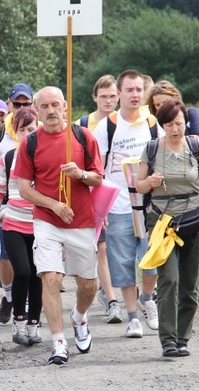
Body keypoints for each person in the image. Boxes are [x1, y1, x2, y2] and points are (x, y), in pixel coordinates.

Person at [15, 86, 104, 364]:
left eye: (56, 105)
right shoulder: (29, 143)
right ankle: (59, 342)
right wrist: (53, 205)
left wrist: (80, 174)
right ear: (37, 110)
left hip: (81, 219)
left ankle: (79, 317)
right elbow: (24, 189)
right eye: (45, 107)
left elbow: (98, 178)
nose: (51, 111)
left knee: (88, 284)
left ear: (65, 107)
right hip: (47, 220)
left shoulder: (83, 136)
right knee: (50, 277)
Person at [135, 98, 199, 357]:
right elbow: (138, 186)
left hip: (194, 219)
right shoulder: (151, 149)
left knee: (189, 285)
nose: (175, 129)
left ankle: (183, 338)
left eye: (179, 123)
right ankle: (168, 340)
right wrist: (149, 182)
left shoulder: (196, 147)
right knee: (169, 280)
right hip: (163, 222)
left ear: (185, 122)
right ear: (162, 125)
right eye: (170, 124)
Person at [93, 70, 162, 338]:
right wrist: (100, 211)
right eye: (129, 90)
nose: (135, 95)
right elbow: (98, 171)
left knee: (152, 259)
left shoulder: (152, 123)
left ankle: (147, 298)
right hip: (118, 205)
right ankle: (133, 317)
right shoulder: (106, 127)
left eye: (138, 90)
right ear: (119, 94)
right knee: (121, 263)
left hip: (150, 206)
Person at [0, 107, 42, 346]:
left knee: (38, 275)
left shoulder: (47, 156)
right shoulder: (7, 158)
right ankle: (19, 319)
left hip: (41, 224)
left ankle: (34, 324)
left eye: (32, 129)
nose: (28, 134)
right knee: (23, 271)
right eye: (23, 130)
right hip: (13, 224)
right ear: (15, 132)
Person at [0, 83, 35, 323]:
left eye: (26, 103)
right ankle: (10, 295)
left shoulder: (39, 130)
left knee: (33, 260)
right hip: (5, 201)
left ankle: (30, 305)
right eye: (17, 103)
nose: (22, 107)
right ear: (9, 103)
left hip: (34, 203)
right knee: (5, 256)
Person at [76, 75, 122, 324]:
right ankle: (111, 300)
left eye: (113, 96)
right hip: (94, 193)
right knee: (101, 248)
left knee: (119, 248)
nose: (108, 101)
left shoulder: (125, 123)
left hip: (122, 195)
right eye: (103, 96)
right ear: (95, 97)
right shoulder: (83, 124)